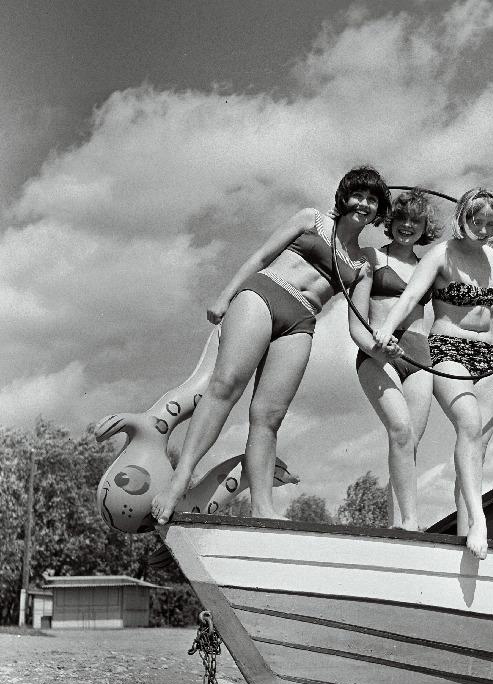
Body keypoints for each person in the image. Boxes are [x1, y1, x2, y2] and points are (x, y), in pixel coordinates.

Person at [151, 166, 391, 525]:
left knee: (269, 416)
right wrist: (224, 295)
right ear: (344, 196)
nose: (364, 203)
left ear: (378, 211)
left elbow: (358, 327)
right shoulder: (311, 219)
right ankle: (179, 481)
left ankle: (264, 509)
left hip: (302, 320)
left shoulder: (363, 264)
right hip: (265, 293)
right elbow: (262, 256)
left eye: (373, 200)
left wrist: (382, 348)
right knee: (226, 385)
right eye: (359, 195)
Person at [373, 187, 493, 559]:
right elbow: (411, 296)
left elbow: (484, 310)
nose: (481, 228)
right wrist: (387, 329)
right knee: (468, 425)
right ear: (461, 217)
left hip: (488, 353)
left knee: (478, 448)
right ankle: (480, 521)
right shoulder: (441, 254)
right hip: (448, 348)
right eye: (475, 220)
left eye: (489, 223)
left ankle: (465, 532)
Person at [348, 189, 443, 530]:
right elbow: (355, 324)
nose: (407, 226)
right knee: (400, 429)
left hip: (419, 355)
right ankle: (409, 525)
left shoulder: (429, 265)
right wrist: (376, 350)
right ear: (391, 222)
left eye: (415, 221)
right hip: (377, 354)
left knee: (408, 445)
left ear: (424, 227)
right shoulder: (371, 256)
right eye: (401, 218)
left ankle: (396, 526)